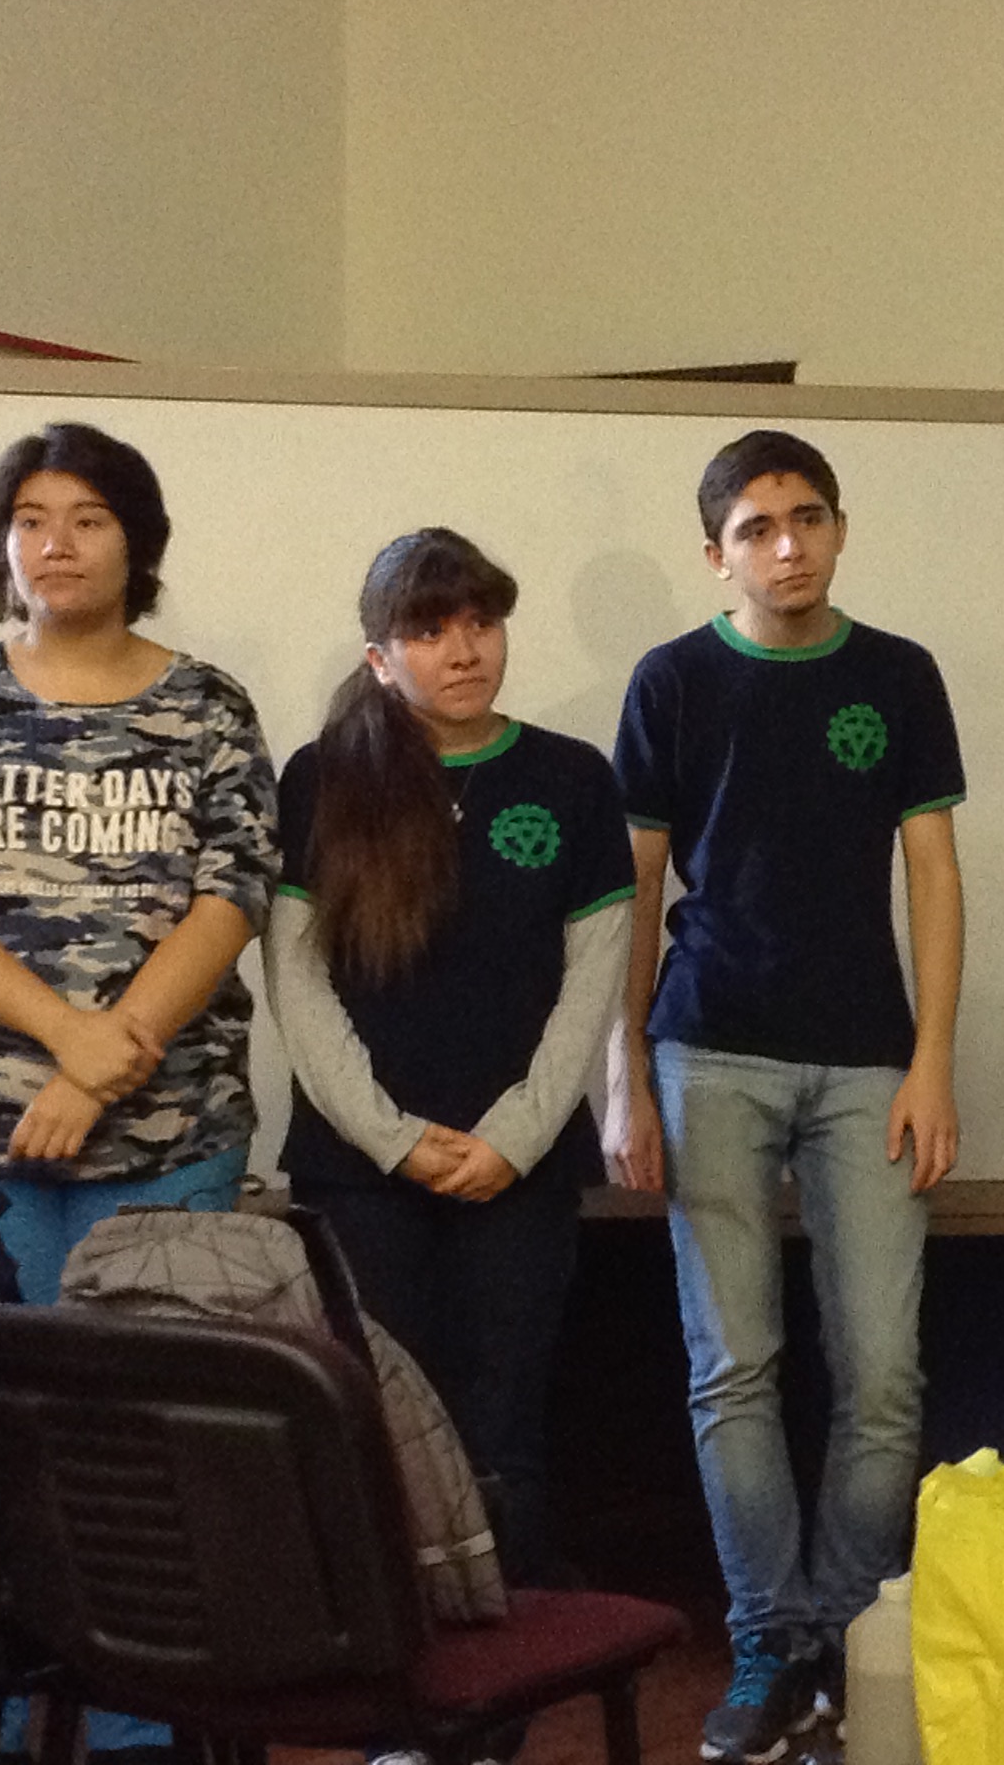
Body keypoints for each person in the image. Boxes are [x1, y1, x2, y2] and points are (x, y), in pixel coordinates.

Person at [0, 420, 276, 1763]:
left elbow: (233, 894)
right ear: (3, 546)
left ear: (135, 542)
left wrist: (112, 1063)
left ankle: (135, 1734)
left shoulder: (207, 708)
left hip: (169, 1139)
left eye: (88, 517)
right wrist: (65, 1039)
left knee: (138, 1462)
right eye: (31, 518)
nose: (57, 542)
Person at [612, 429, 964, 1764]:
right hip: (709, 1052)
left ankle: (847, 1637)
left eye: (807, 518)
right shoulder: (673, 681)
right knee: (735, 1367)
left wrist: (934, 1059)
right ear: (717, 554)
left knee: (882, 1371)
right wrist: (622, 1071)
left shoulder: (898, 674)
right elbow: (635, 886)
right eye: (756, 528)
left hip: (871, 1059)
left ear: (839, 529)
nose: (787, 545)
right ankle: (769, 1641)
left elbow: (933, 873)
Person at [264, 527, 634, 1579]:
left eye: (481, 622)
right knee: (382, 1421)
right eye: (428, 631)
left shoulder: (571, 778)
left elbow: (593, 981)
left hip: (519, 1169)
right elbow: (295, 979)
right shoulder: (324, 778)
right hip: (361, 1173)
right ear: (381, 658)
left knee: (503, 1425)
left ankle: (512, 1658)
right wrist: (392, 1139)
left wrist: (514, 1136)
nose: (464, 650)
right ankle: (405, 1659)